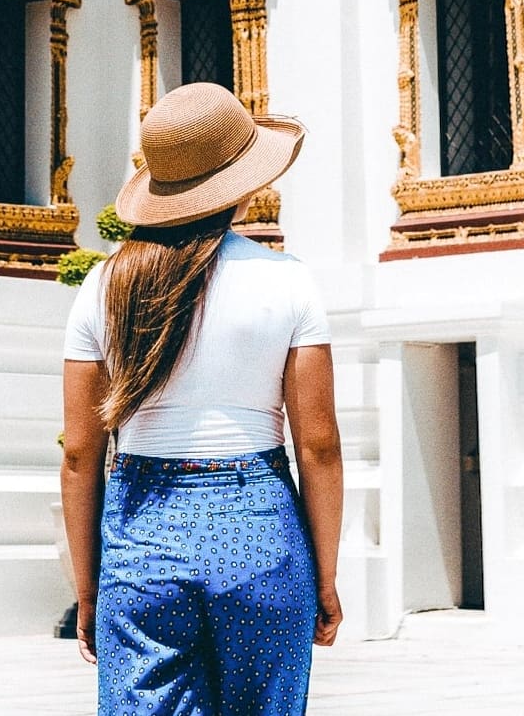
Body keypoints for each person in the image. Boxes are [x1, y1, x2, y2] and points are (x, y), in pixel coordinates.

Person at [61, 82, 344, 715]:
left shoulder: (103, 286)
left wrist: (89, 588)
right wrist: (322, 577)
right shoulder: (289, 281)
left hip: (144, 532)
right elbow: (318, 446)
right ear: (241, 183)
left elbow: (81, 453)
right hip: (260, 533)